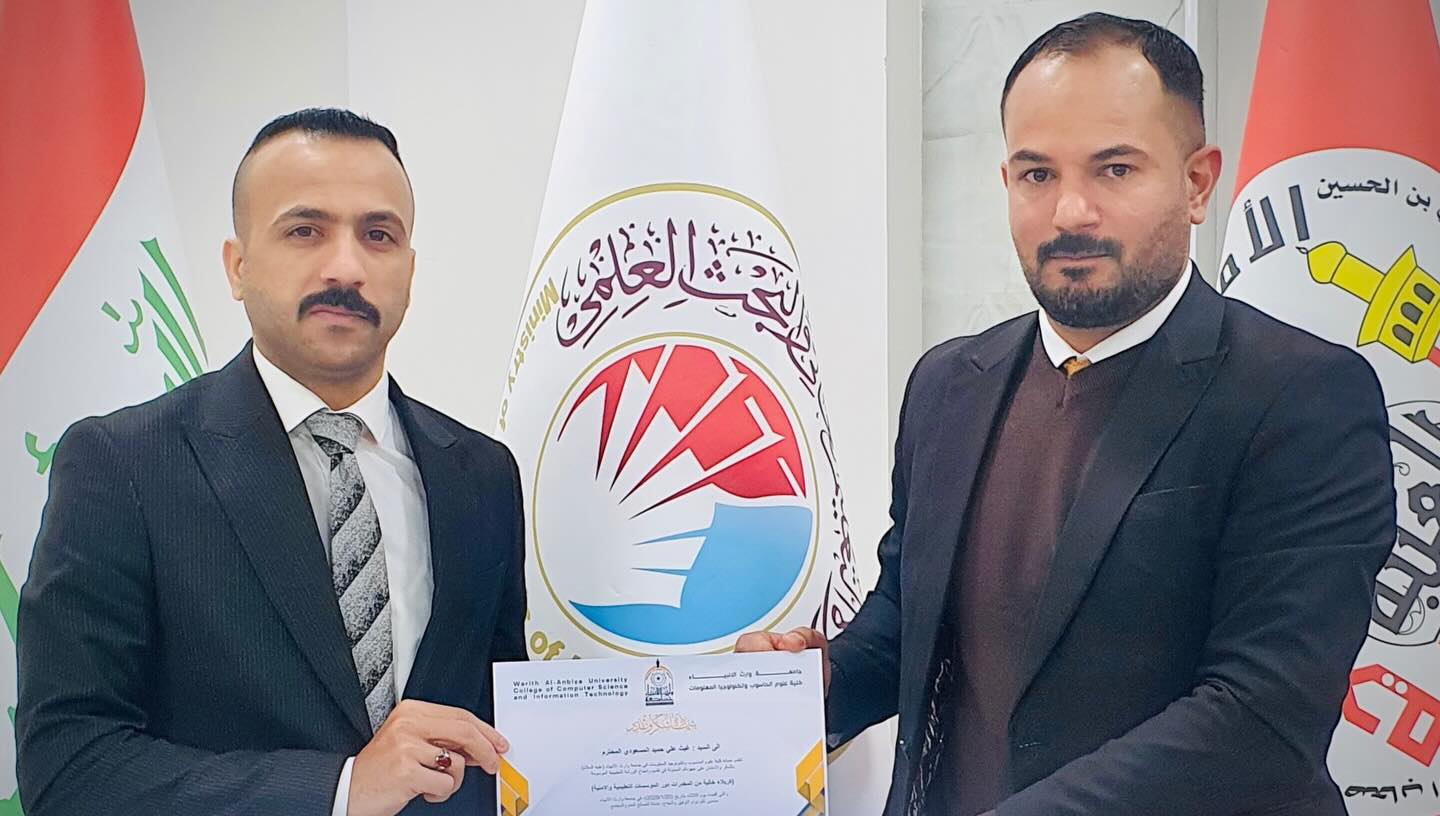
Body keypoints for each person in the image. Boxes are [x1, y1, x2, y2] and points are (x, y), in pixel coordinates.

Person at [739, 13, 1393, 816]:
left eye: (1114, 169)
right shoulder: (948, 383)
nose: (1070, 211)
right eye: (1037, 174)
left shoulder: (1302, 397)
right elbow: (912, 622)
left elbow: (1262, 717)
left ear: (1197, 183)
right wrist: (822, 683)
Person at [16, 108, 526, 816]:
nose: (346, 267)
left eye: (378, 235)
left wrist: (676, 735)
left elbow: (504, 729)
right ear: (238, 266)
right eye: (304, 230)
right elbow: (69, 767)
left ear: (409, 270)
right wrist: (339, 789)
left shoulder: (483, 476)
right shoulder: (123, 465)